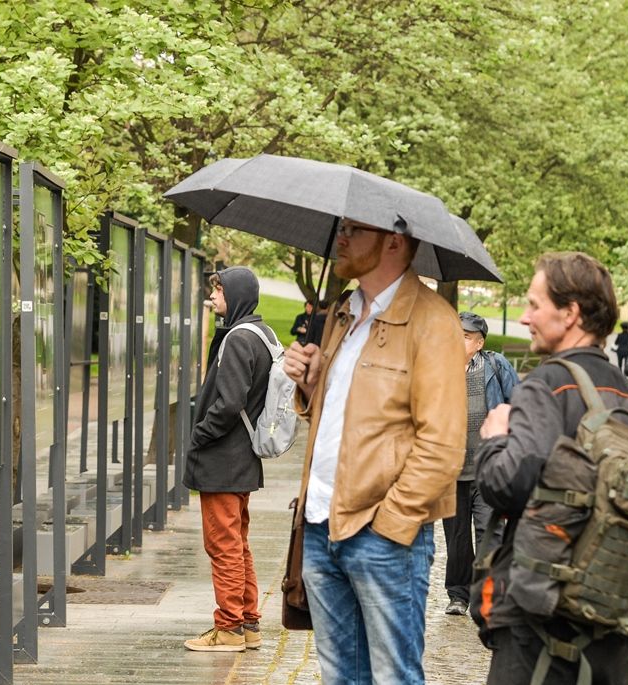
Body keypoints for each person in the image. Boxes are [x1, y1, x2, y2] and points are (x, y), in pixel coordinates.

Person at [475, 252, 628, 684]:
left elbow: (508, 483)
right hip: (612, 634)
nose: (527, 318)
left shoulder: (546, 385)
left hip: (536, 634)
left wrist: (495, 439)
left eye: (534, 305)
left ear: (570, 313)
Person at [283, 220, 466, 683]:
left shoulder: (432, 320)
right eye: (340, 228)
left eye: (352, 230)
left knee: (393, 678)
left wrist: (392, 524)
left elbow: (442, 443)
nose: (339, 238)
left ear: (394, 241)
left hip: (382, 537)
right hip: (322, 525)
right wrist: (309, 382)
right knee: (340, 677)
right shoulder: (345, 312)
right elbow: (344, 417)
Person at [183, 266, 275, 653]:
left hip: (223, 458)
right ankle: (248, 622)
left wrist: (199, 434)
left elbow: (230, 403)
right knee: (237, 543)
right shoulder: (260, 333)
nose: (214, 296)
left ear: (235, 294)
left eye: (219, 290)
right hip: (241, 459)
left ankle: (229, 629)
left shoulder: (238, 338)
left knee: (223, 545)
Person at [443, 312, 518, 616]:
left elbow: (519, 404)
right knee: (456, 538)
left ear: (478, 342)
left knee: (489, 532)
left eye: (464, 336)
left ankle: (487, 595)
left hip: (488, 467)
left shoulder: (496, 365)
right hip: (451, 469)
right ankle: (458, 596)